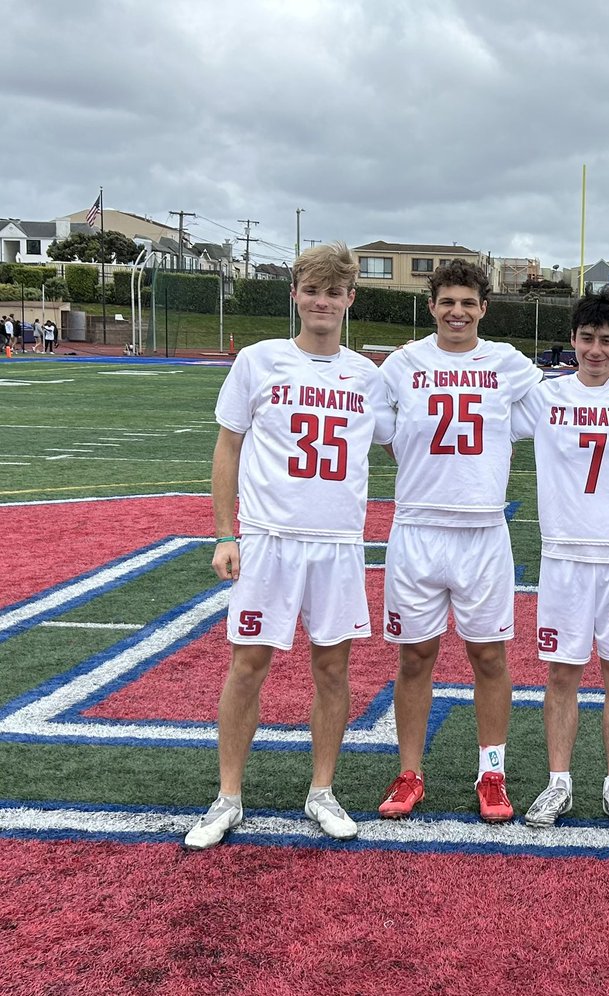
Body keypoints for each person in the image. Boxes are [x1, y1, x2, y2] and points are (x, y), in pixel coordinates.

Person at [184, 242, 392, 850]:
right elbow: (228, 447)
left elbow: (410, 432)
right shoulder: (257, 360)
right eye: (313, 290)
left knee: (332, 668)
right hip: (269, 540)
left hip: (336, 543)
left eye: (335, 291)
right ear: (296, 295)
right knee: (247, 664)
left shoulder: (369, 376)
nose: (323, 301)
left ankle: (322, 791)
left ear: (350, 299)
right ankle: (227, 797)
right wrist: (226, 532)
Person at [377, 260, 542, 824]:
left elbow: (563, 399)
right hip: (418, 530)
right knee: (416, 655)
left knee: (488, 655)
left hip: (482, 532)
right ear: (431, 306)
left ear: (483, 309)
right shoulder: (404, 363)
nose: (457, 312)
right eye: (448, 301)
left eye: (468, 302)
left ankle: (490, 773)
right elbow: (381, 432)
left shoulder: (508, 363)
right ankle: (409, 771)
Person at [511, 288, 609, 833]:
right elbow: (486, 415)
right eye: (586, 339)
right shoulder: (545, 395)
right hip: (565, 556)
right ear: (572, 341)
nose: (595, 350)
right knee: (562, 672)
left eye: (607, 341)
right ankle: (559, 782)